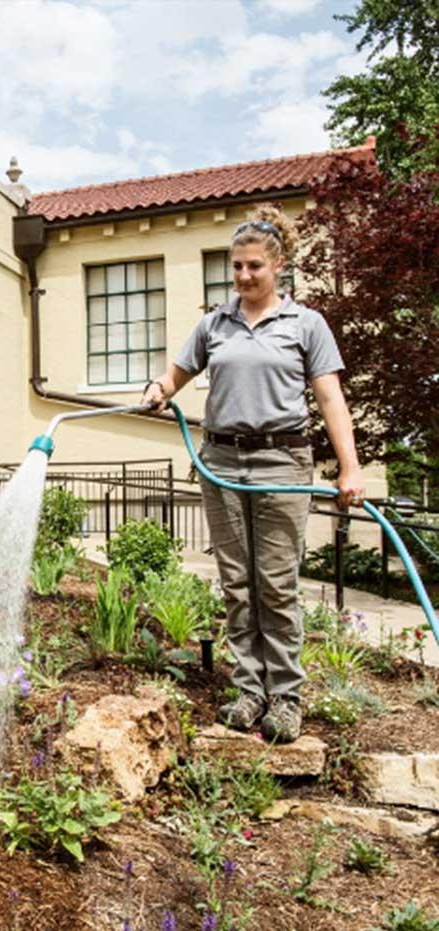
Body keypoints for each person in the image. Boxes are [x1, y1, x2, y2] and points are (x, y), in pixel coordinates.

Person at [141, 204, 364, 743]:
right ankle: (249, 690)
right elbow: (176, 373)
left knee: (277, 584)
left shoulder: (306, 324)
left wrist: (349, 469)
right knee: (238, 582)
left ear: (278, 265)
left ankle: (285, 697)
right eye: (236, 266)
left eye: (253, 267)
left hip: (281, 461)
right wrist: (159, 389)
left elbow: (330, 398)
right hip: (220, 461)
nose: (243, 276)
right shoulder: (215, 323)